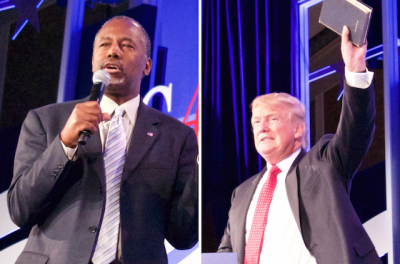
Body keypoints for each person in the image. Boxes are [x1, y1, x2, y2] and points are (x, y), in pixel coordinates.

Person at [8, 16, 198, 264]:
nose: (113, 52)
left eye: (127, 45)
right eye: (104, 45)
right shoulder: (46, 121)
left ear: (147, 66)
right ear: (92, 62)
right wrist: (64, 144)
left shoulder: (176, 136)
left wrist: (200, 170)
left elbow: (182, 236)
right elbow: (20, 210)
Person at [218, 26, 381, 264]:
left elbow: (356, 130)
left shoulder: (325, 164)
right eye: (256, 121)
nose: (262, 127)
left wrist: (355, 68)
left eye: (272, 119)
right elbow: (226, 254)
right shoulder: (241, 194)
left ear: (298, 129)